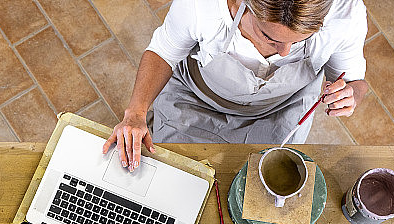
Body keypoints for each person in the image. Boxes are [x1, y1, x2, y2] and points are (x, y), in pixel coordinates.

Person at [103, 0, 369, 169]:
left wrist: (351, 95)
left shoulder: (346, 14)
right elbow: (163, 51)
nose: (285, 52)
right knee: (174, 172)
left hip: (279, 112)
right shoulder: (202, 5)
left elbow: (354, 81)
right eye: (270, 37)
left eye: (300, 41)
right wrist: (135, 113)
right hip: (196, 97)